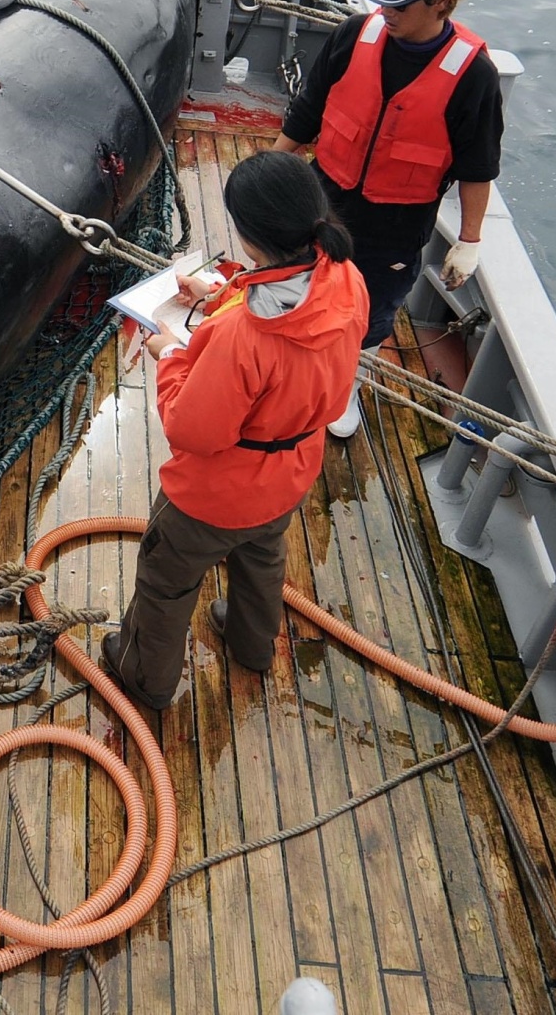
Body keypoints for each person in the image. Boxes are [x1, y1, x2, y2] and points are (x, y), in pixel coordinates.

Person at [101, 152, 369, 708]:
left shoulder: (243, 339)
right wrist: (217, 296)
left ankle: (145, 678)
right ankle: (252, 645)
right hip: (291, 472)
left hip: (216, 496)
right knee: (262, 558)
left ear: (249, 236)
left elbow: (192, 431)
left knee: (165, 582)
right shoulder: (346, 279)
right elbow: (283, 309)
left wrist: (170, 353)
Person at [270, 0, 504, 438]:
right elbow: (309, 108)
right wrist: (271, 165)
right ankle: (283, 361)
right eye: (383, 0)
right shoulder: (355, 34)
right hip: (323, 193)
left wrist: (469, 240)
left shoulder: (473, 76)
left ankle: (346, 386)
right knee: (295, 276)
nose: (386, 12)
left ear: (440, 3)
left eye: (400, 4)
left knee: (371, 309)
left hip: (396, 222)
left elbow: (478, 167)